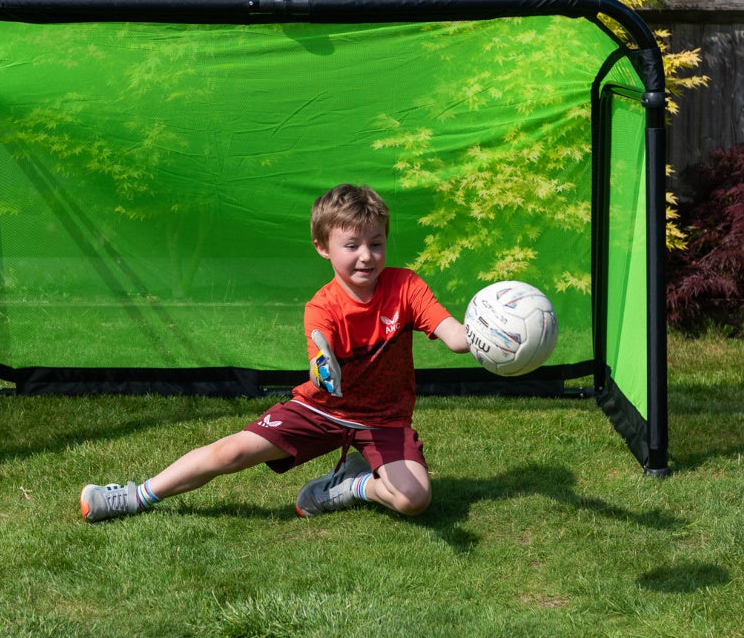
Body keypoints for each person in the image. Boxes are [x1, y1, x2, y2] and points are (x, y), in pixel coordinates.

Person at [80, 183, 471, 522]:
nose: (366, 256)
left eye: (376, 243)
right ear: (323, 247)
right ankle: (133, 496)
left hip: (385, 419)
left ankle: (354, 486)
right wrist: (323, 369)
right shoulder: (322, 307)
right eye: (351, 245)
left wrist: (481, 336)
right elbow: (320, 360)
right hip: (322, 409)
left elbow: (452, 334)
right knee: (231, 451)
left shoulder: (405, 286)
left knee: (414, 500)